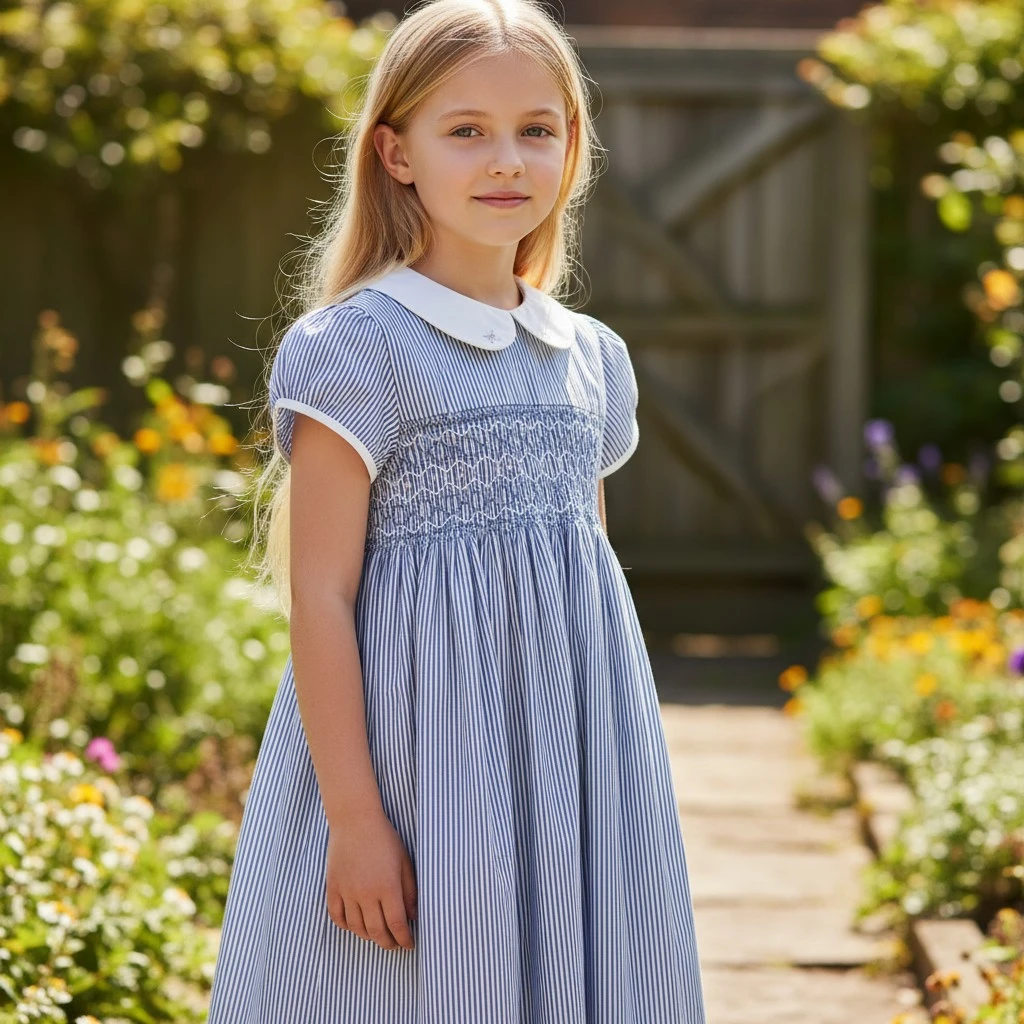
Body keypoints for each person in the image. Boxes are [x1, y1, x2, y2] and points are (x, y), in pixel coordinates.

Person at [207, 0, 708, 1020]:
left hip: (568, 755)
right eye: (466, 130)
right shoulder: (359, 346)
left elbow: (586, 572)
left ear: (573, 148)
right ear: (395, 153)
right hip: (416, 759)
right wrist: (354, 816)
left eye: (537, 129)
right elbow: (320, 593)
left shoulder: (589, 357)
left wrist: (602, 785)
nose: (506, 161)